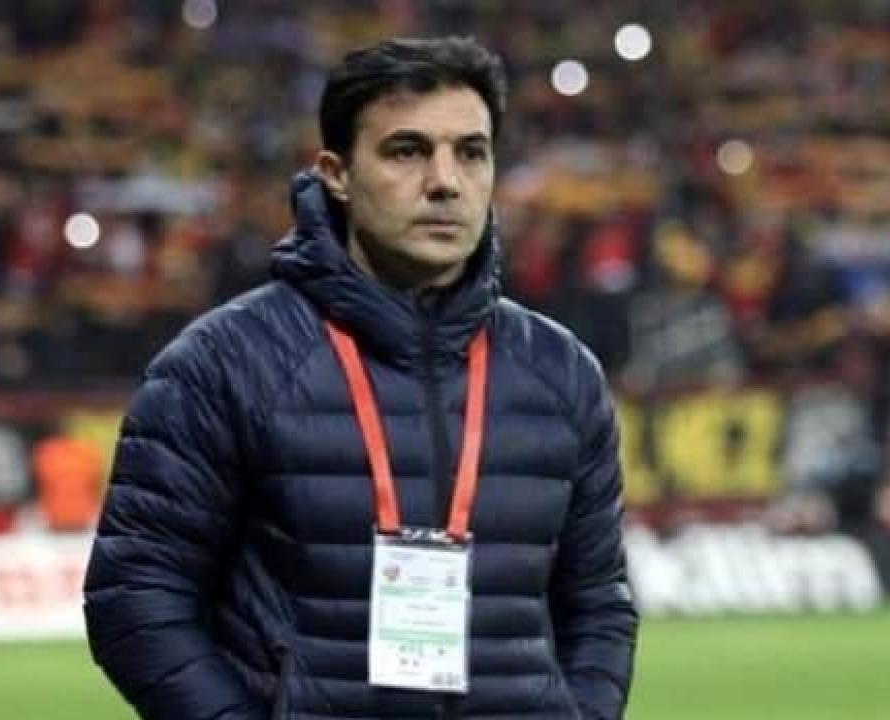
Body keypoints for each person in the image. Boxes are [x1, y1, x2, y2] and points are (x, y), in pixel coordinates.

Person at [84, 36, 637, 719]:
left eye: (471, 152)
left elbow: (601, 602)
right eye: (407, 151)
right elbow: (136, 598)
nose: (445, 181)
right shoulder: (223, 363)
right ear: (336, 174)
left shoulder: (562, 372)